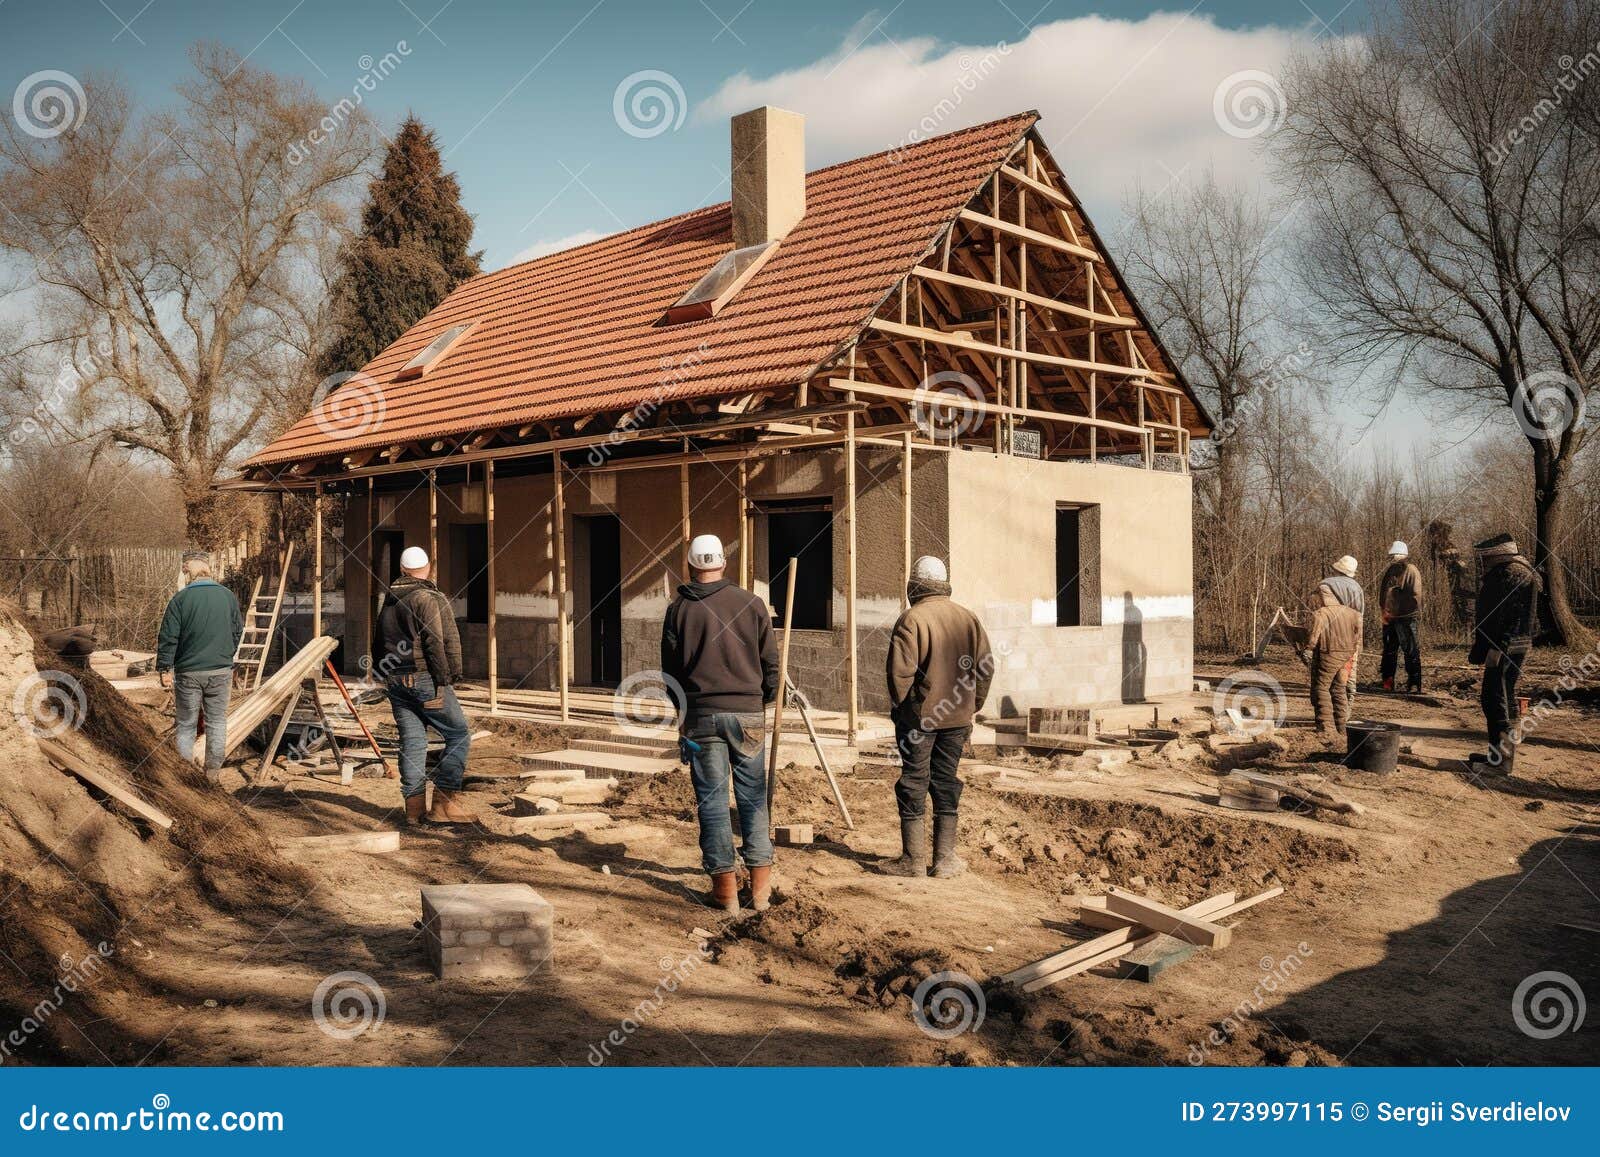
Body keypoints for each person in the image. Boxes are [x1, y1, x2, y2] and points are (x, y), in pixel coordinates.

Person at [661, 533, 778, 914]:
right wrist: (764, 699)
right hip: (747, 714)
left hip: (701, 717)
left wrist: (682, 715)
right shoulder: (752, 603)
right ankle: (760, 893)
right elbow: (770, 663)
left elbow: (670, 673)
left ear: (692, 566)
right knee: (752, 799)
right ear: (723, 564)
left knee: (711, 802)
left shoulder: (679, 609)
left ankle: (725, 894)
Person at [882, 556, 993, 879]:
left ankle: (912, 861)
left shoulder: (912, 619)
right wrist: (971, 705)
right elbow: (985, 667)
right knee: (946, 782)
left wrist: (903, 710)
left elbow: (899, 675)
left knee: (914, 781)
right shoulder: (968, 618)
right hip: (957, 719)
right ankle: (945, 861)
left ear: (914, 587)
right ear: (944, 585)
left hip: (921, 720)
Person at [374, 546, 473, 824]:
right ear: (428, 567)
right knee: (458, 735)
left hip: (395, 680)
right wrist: (444, 681)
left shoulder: (390, 599)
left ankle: (414, 811)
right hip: (423, 677)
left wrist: (383, 675)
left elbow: (377, 640)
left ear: (403, 570)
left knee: (413, 742)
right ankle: (444, 805)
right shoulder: (427, 597)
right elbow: (435, 642)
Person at [156, 556, 243, 781]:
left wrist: (165, 668)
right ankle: (212, 775)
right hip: (220, 671)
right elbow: (237, 631)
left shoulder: (180, 599)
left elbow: (169, 637)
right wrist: (225, 655)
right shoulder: (228, 597)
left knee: (186, 723)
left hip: (188, 672)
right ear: (208, 572)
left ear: (189, 575)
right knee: (217, 722)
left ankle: (186, 776)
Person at [1468, 534, 1541, 776]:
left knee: (1495, 699)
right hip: (1513, 644)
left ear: (1497, 555)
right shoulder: (1521, 572)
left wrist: (1496, 647)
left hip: (1504, 645)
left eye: (1486, 557)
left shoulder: (1510, 574)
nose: (1484, 562)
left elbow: (1504, 616)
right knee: (1503, 698)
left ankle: (1500, 762)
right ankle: (1497, 756)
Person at [1302, 584, 1362, 741]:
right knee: (1339, 688)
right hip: (1347, 655)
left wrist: (1307, 649)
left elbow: (1313, 639)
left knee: (1321, 688)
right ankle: (1342, 727)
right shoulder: (1353, 613)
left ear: (1322, 597)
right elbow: (1358, 639)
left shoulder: (1321, 614)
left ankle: (1325, 727)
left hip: (1328, 654)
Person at [1319, 554, 1364, 710]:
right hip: (1350, 636)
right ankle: (1346, 713)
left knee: (1326, 678)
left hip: (1328, 637)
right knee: (1348, 675)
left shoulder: (1324, 586)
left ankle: (1332, 715)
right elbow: (1359, 616)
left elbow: (1319, 612)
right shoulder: (1357, 588)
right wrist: (1359, 642)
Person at [1378, 540, 1423, 693]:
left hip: (1406, 617)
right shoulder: (1391, 570)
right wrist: (1385, 611)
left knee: (1411, 651)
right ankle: (1387, 682)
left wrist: (1404, 613)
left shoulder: (1411, 570)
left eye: (1394, 555)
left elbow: (1415, 596)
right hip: (1390, 617)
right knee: (1389, 651)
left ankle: (1414, 683)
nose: (1392, 557)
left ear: (1402, 555)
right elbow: (1383, 594)